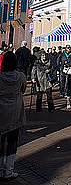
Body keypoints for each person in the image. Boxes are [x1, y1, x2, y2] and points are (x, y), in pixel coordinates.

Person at [0, 51, 27, 181]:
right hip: (15, 112)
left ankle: (0, 170)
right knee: (12, 141)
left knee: (0, 142)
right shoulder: (20, 76)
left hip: (1, 111)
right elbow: (23, 89)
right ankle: (9, 170)